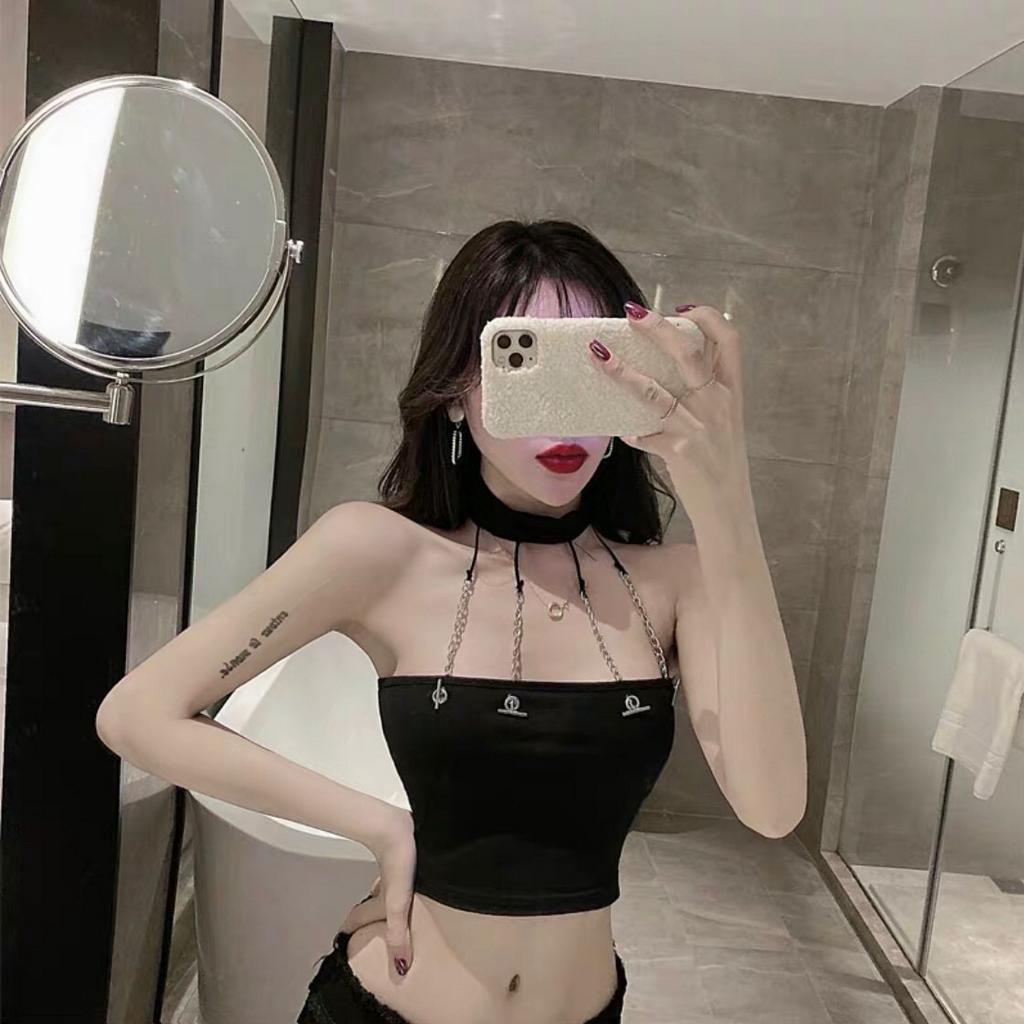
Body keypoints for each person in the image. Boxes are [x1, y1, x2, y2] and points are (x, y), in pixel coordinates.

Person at [96, 219, 806, 1024]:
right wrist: (380, 827)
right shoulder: (376, 551)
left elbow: (773, 807)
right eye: (525, 362)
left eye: (593, 367)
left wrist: (725, 490)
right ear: (458, 391)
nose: (562, 423)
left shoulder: (675, 581)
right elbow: (137, 714)